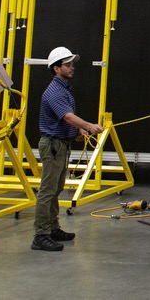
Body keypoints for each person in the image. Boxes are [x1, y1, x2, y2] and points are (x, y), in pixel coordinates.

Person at [33, 46, 104, 252]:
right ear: (56, 68)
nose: (72, 67)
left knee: (56, 189)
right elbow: (67, 117)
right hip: (53, 145)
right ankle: (41, 235)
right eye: (67, 64)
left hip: (61, 144)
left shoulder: (64, 90)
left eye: (73, 64)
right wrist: (87, 126)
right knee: (47, 191)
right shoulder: (55, 91)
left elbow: (65, 119)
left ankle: (53, 228)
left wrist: (78, 132)